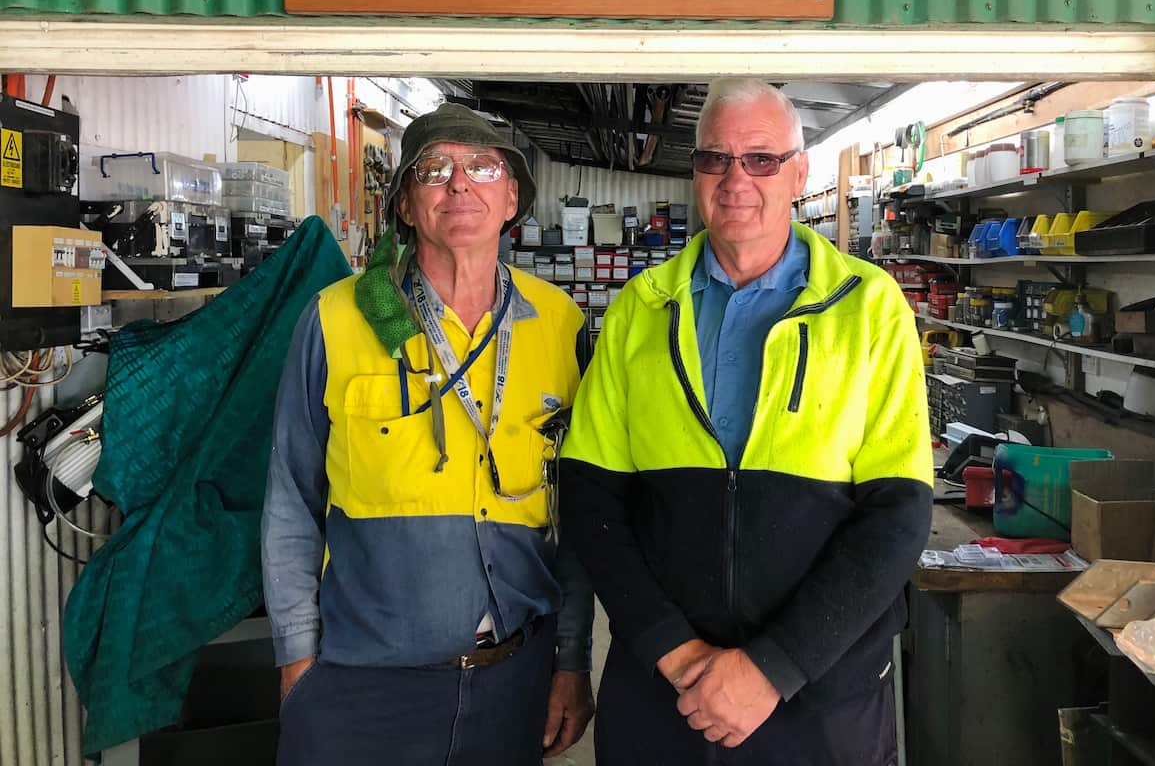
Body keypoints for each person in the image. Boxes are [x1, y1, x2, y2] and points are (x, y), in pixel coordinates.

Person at [560, 78, 933, 765]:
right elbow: (589, 498)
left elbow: (898, 516)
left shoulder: (869, 307)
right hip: (665, 694)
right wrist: (673, 653)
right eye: (716, 159)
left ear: (800, 171)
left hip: (820, 697)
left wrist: (773, 667)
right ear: (695, 171)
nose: (737, 179)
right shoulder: (640, 308)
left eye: (761, 159)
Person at [262, 103, 595, 766]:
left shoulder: (560, 325)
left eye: (482, 167)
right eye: (434, 170)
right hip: (362, 683)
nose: (459, 183)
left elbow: (581, 517)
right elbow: (290, 501)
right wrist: (298, 659)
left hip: (513, 680)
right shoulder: (334, 318)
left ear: (511, 200)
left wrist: (573, 659)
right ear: (407, 207)